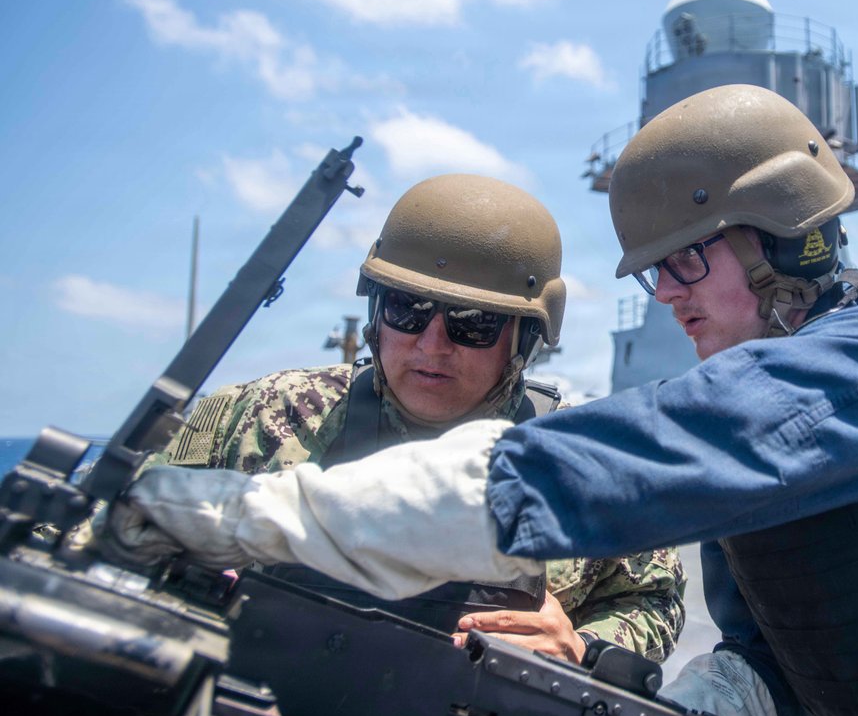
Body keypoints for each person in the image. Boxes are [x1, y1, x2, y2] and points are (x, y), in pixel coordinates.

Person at [106, 86, 858, 716]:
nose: (665, 292)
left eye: (684, 259)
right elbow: (773, 654)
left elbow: (594, 464)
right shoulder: (780, 425)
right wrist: (644, 701)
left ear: (781, 237)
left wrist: (226, 512)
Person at [134, 173, 685, 666]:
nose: (431, 345)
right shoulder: (257, 418)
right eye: (406, 310)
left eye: (472, 323)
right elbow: (105, 531)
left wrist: (581, 646)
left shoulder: (585, 465)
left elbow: (653, 598)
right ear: (375, 314)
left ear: (525, 340)